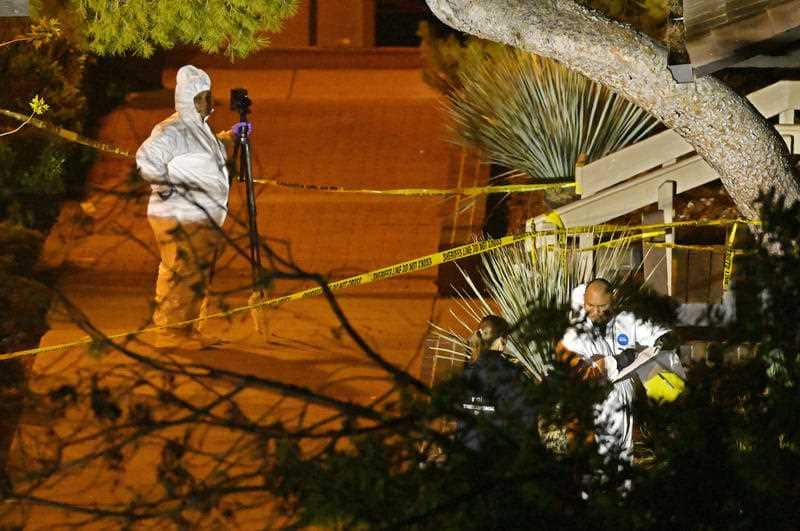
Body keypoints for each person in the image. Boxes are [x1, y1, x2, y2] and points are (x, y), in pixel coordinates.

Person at [136, 65, 250, 349]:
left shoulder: (198, 129)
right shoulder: (173, 129)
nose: (206, 102)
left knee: (193, 273)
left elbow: (207, 154)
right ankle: (171, 334)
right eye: (200, 96)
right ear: (187, 98)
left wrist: (231, 136)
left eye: (207, 95)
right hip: (182, 215)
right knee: (182, 273)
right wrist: (164, 188)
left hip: (199, 216)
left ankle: (186, 330)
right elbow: (147, 158)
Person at [558, 278, 684, 462]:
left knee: (623, 456)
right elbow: (584, 371)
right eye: (590, 305)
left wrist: (663, 339)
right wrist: (618, 361)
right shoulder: (574, 333)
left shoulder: (625, 320)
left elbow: (658, 333)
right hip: (596, 401)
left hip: (624, 395)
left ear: (613, 300)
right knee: (599, 459)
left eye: (601, 306)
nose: (595, 312)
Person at [458, 315, 535, 450]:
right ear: (502, 341)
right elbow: (527, 417)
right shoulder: (510, 373)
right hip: (498, 457)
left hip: (467, 455)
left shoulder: (466, 373)